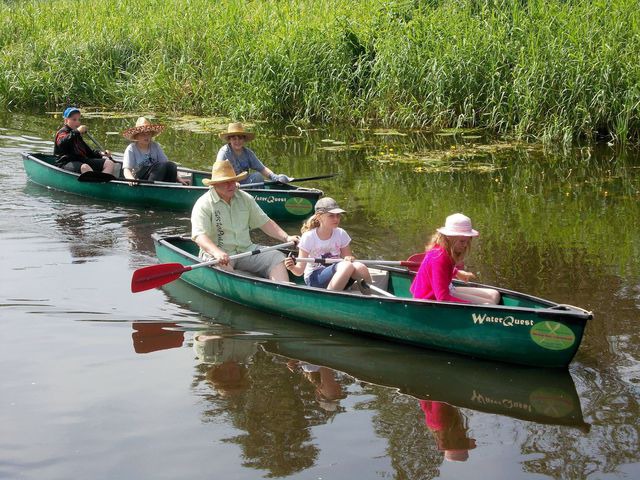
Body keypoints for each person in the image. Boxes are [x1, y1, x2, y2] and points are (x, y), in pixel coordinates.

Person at [191, 159, 298, 282]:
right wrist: (217, 252)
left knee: (277, 257)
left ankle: (281, 293)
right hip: (218, 255)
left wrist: (287, 238)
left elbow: (265, 222)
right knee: (225, 270)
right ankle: (246, 283)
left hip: (246, 250)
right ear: (214, 184)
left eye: (233, 181)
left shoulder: (246, 198)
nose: (231, 185)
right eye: (225, 182)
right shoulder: (203, 204)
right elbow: (199, 236)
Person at [284, 197, 372, 292]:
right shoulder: (308, 237)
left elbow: (348, 258)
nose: (336, 219)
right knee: (346, 266)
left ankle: (372, 299)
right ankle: (329, 298)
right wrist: (292, 267)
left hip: (340, 273)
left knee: (360, 267)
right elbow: (299, 271)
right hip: (315, 278)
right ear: (319, 217)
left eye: (338, 215)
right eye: (331, 216)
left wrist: (349, 258)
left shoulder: (341, 233)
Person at [410, 213, 500, 304]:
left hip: (447, 289)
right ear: (449, 237)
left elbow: (443, 270)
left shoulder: (445, 250)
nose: (465, 245)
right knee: (490, 305)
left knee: (494, 294)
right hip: (428, 299)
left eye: (468, 241)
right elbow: (442, 298)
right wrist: (472, 306)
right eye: (462, 241)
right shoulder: (438, 257)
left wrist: (457, 272)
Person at [216, 122, 290, 185]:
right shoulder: (224, 152)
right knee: (257, 177)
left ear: (244, 139)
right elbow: (218, 174)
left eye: (240, 138)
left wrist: (275, 177)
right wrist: (232, 184)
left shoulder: (248, 153)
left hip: (244, 184)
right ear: (229, 140)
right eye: (234, 139)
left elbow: (262, 169)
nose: (237, 141)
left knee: (257, 176)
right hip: (227, 184)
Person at [121, 117, 188, 185]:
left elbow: (165, 162)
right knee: (159, 167)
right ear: (137, 136)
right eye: (143, 134)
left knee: (172, 165)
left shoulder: (155, 146)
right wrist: (131, 179)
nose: (146, 137)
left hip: (156, 175)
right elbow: (126, 170)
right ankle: (150, 188)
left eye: (148, 134)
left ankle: (169, 187)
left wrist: (178, 178)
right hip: (140, 178)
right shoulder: (131, 148)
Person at [53, 106, 115, 174]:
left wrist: (102, 153)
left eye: (78, 120)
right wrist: (77, 131)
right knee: (85, 167)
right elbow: (62, 143)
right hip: (65, 163)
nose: (77, 122)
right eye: (74, 119)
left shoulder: (77, 135)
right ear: (66, 120)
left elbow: (88, 152)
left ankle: (102, 181)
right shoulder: (62, 132)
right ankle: (95, 182)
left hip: (81, 160)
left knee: (109, 163)